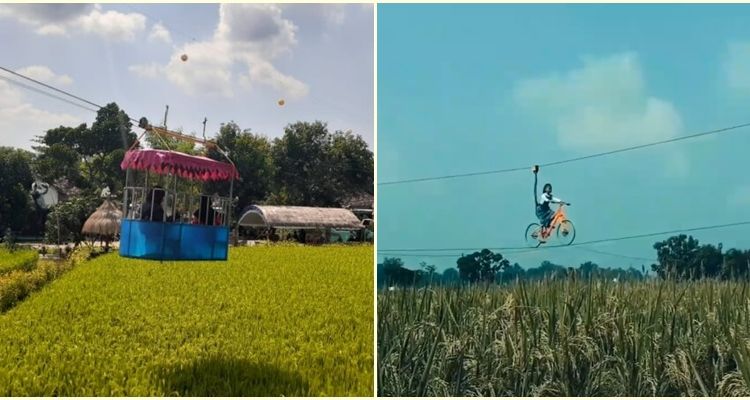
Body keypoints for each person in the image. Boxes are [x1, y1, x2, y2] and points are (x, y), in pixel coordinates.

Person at [533, 167, 569, 241]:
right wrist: (553, 201)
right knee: (548, 218)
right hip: (541, 211)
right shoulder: (543, 195)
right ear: (545, 189)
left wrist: (564, 202)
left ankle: (561, 229)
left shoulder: (550, 196)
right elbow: (547, 200)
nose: (549, 189)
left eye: (550, 188)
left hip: (547, 210)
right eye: (548, 188)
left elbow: (555, 199)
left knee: (554, 215)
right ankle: (541, 233)